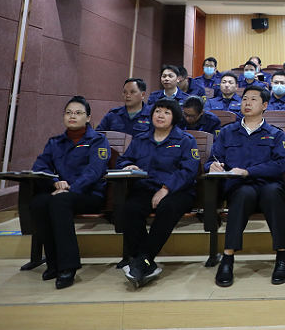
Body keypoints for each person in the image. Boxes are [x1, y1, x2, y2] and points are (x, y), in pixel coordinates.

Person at [205, 86, 285, 286]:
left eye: (253, 99)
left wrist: (248, 171)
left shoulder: (275, 134)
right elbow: (211, 160)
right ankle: (227, 259)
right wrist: (213, 166)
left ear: (265, 105)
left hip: (268, 184)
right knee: (244, 193)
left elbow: (280, 165)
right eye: (244, 99)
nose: (247, 103)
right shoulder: (227, 132)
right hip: (238, 186)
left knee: (273, 193)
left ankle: (282, 257)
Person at [30, 96, 110, 289]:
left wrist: (70, 189)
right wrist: (55, 182)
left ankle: (68, 266)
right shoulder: (55, 142)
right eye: (69, 113)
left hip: (89, 195)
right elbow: (40, 166)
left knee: (60, 201)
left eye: (78, 113)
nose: (72, 116)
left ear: (88, 117)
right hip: (62, 193)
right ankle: (53, 263)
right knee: (39, 203)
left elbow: (94, 171)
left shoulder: (98, 140)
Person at [117, 99, 199, 288]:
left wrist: (166, 188)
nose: (160, 115)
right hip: (146, 189)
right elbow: (123, 160)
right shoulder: (141, 139)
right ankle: (145, 263)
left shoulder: (185, 140)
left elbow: (188, 171)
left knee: (168, 206)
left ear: (175, 118)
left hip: (178, 191)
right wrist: (128, 165)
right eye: (157, 111)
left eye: (166, 112)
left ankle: (141, 260)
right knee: (130, 208)